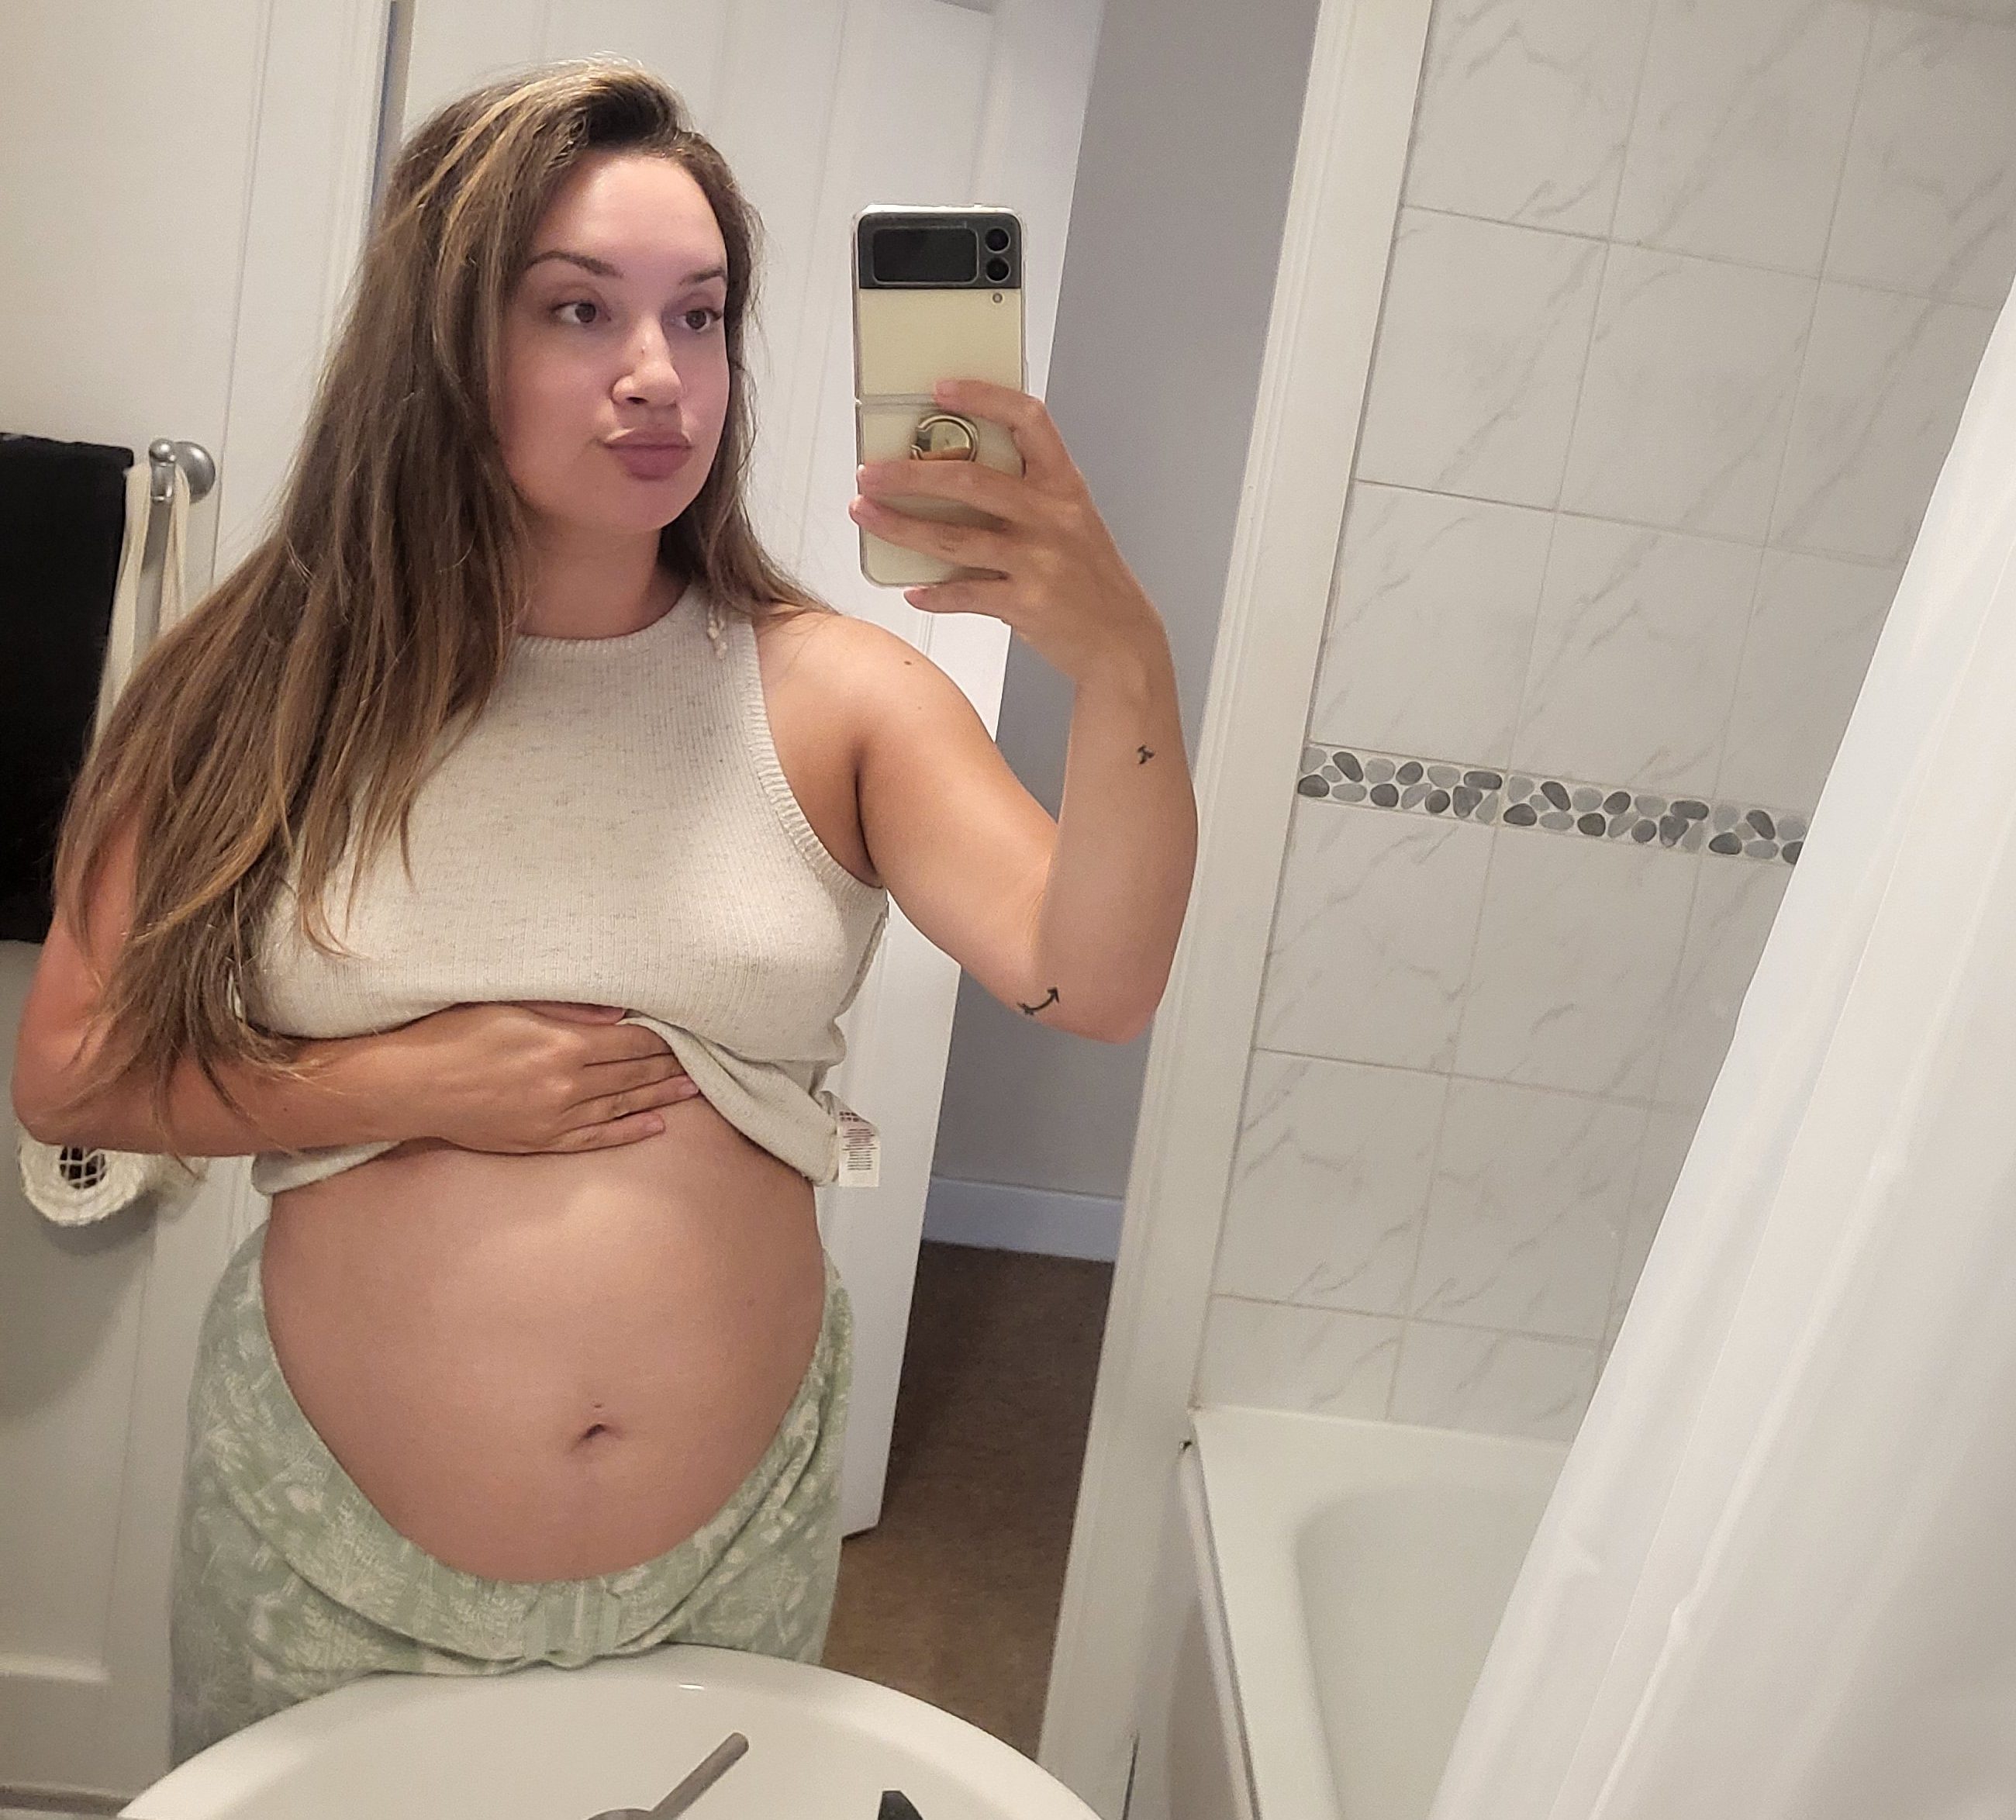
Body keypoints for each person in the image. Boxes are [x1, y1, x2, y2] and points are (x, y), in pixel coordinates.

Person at [10, 59, 1196, 1767]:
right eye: (580, 310)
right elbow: (72, 1074)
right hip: (325, 1548)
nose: (661, 375)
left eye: (700, 317)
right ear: (440, 344)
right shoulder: (258, 690)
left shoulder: (837, 699)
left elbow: (1097, 981)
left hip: (722, 1557)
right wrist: (400, 1084)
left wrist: (1123, 662)